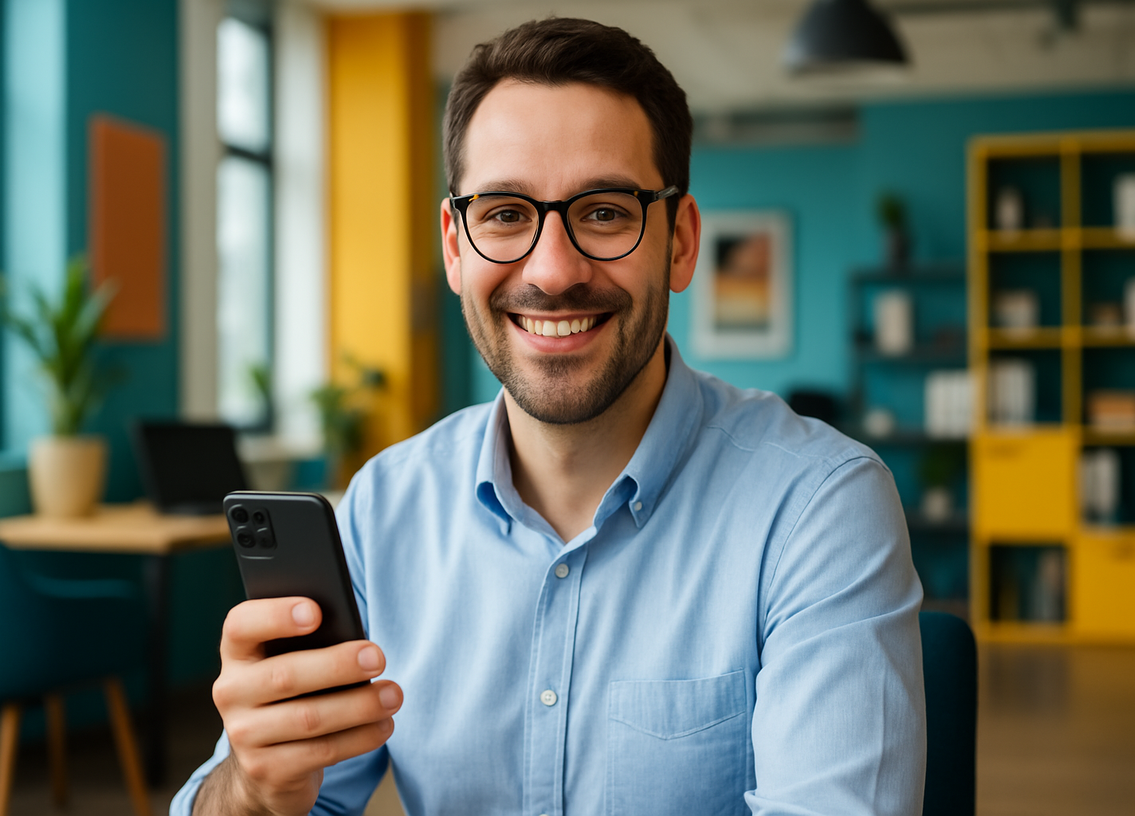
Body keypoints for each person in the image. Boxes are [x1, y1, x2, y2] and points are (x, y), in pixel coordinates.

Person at [172, 17, 925, 816]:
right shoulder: (382, 510)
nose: (553, 270)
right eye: (503, 213)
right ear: (456, 247)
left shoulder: (817, 506)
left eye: (604, 211)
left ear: (680, 242)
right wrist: (254, 788)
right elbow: (297, 800)